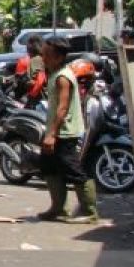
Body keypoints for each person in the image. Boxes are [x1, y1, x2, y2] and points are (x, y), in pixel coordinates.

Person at [35, 35, 97, 223]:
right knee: (49, 167)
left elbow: (62, 108)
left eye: (47, 54)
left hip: (64, 131)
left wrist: (52, 134)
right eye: (43, 53)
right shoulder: (54, 72)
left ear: (59, 57)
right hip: (55, 129)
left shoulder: (63, 77)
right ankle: (58, 208)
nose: (43, 57)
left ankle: (89, 212)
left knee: (73, 170)